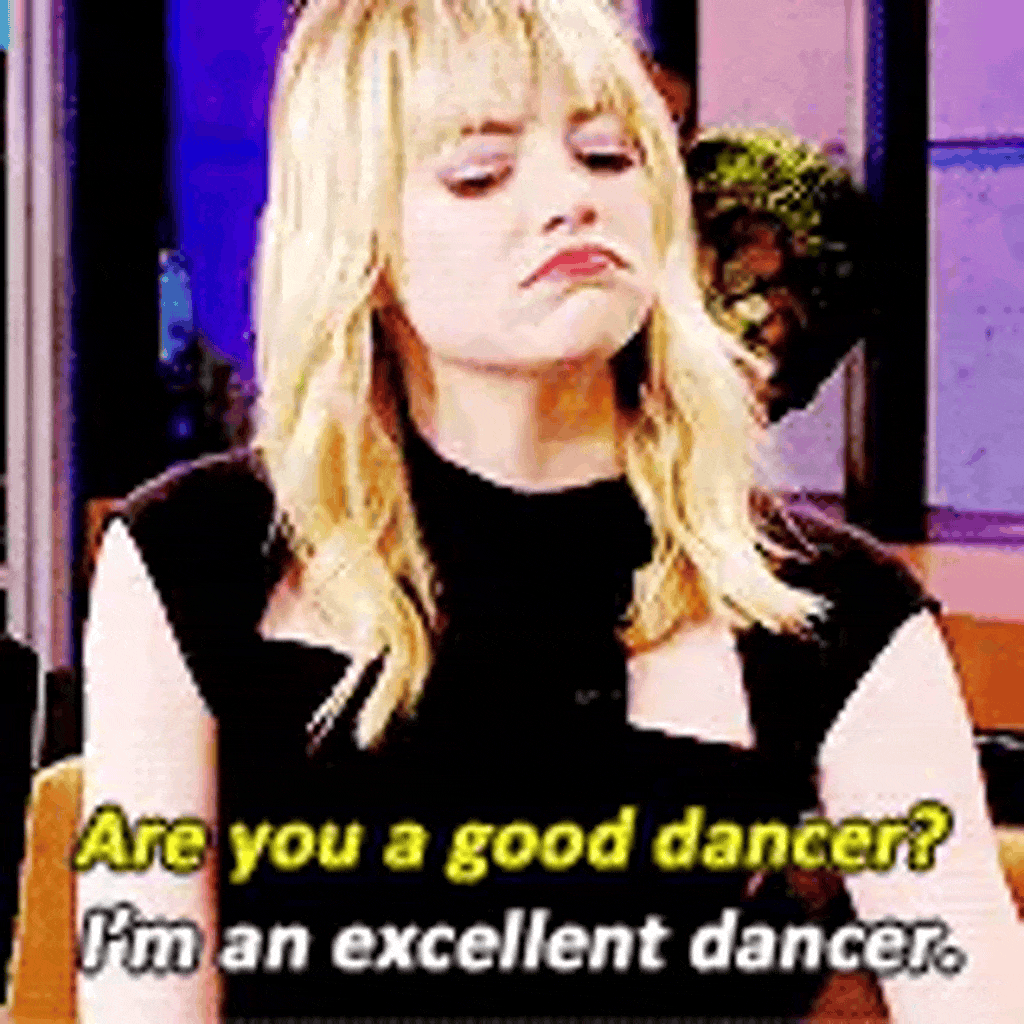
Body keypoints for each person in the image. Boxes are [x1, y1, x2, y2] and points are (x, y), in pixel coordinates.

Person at [78, 0, 1024, 1020]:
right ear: (361, 244)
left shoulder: (835, 609)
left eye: (607, 157)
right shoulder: (196, 560)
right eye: (480, 174)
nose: (571, 200)